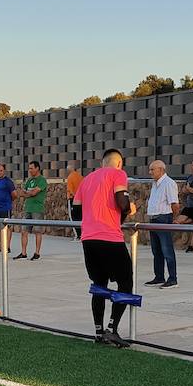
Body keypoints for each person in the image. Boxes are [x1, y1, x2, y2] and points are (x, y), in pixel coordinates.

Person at [74, 148, 136, 347]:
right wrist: (129, 209)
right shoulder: (118, 174)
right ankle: (112, 328)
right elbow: (122, 202)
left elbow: (76, 209)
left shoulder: (87, 179)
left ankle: (99, 332)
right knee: (125, 283)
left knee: (99, 285)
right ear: (119, 163)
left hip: (88, 239)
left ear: (102, 162)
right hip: (110, 237)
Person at [144, 160, 180, 288]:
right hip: (154, 219)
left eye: (152, 169)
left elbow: (174, 204)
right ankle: (159, 277)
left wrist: (174, 219)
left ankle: (172, 279)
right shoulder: (155, 183)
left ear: (161, 169)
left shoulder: (168, 183)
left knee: (167, 250)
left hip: (163, 218)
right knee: (156, 250)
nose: (150, 172)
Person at [13, 161, 47, 260]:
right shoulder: (29, 180)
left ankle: (37, 253)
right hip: (27, 208)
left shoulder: (42, 180)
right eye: (29, 168)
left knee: (37, 231)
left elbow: (34, 193)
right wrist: (29, 192)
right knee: (24, 231)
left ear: (37, 168)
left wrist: (28, 193)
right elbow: (22, 193)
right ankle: (23, 253)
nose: (30, 170)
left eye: (32, 168)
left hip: (37, 209)